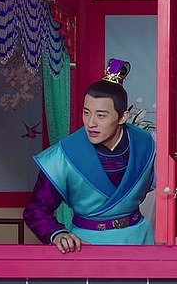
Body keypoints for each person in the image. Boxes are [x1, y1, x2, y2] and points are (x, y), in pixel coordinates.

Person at [23, 59, 156, 253]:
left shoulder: (145, 143)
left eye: (101, 115)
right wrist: (57, 234)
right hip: (87, 243)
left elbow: (169, 187)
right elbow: (36, 209)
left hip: (139, 239)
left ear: (123, 117)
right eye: (86, 113)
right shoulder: (64, 155)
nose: (91, 123)